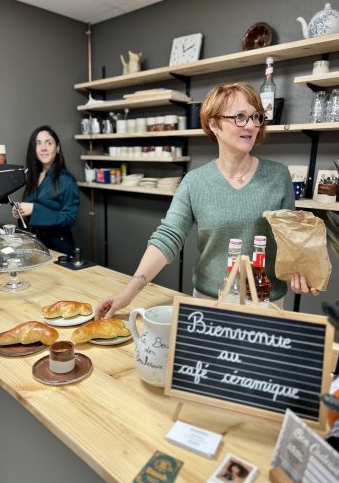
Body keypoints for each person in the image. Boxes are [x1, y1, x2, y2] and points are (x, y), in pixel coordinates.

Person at [95, 82, 319, 320]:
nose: (252, 125)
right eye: (240, 117)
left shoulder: (278, 175)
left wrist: (302, 270)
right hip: (209, 303)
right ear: (214, 125)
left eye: (256, 116)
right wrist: (127, 294)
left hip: (266, 304)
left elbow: (292, 240)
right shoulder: (194, 182)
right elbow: (168, 237)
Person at [12, 125, 80, 255]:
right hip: (35, 246)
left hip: (59, 248)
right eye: (38, 144)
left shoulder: (67, 180)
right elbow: (29, 218)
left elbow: (70, 218)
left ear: (58, 147)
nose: (43, 148)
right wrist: (22, 214)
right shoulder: (31, 176)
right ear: (34, 149)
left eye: (49, 143)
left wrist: (33, 209)